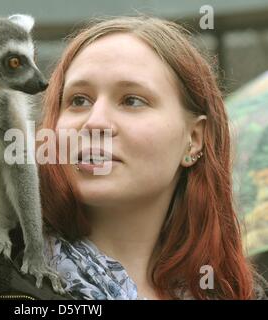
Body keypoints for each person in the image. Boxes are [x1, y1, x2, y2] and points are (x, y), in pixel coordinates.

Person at [37, 16, 267, 300]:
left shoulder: (234, 293)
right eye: (79, 100)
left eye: (132, 100)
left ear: (194, 139)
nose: (94, 123)